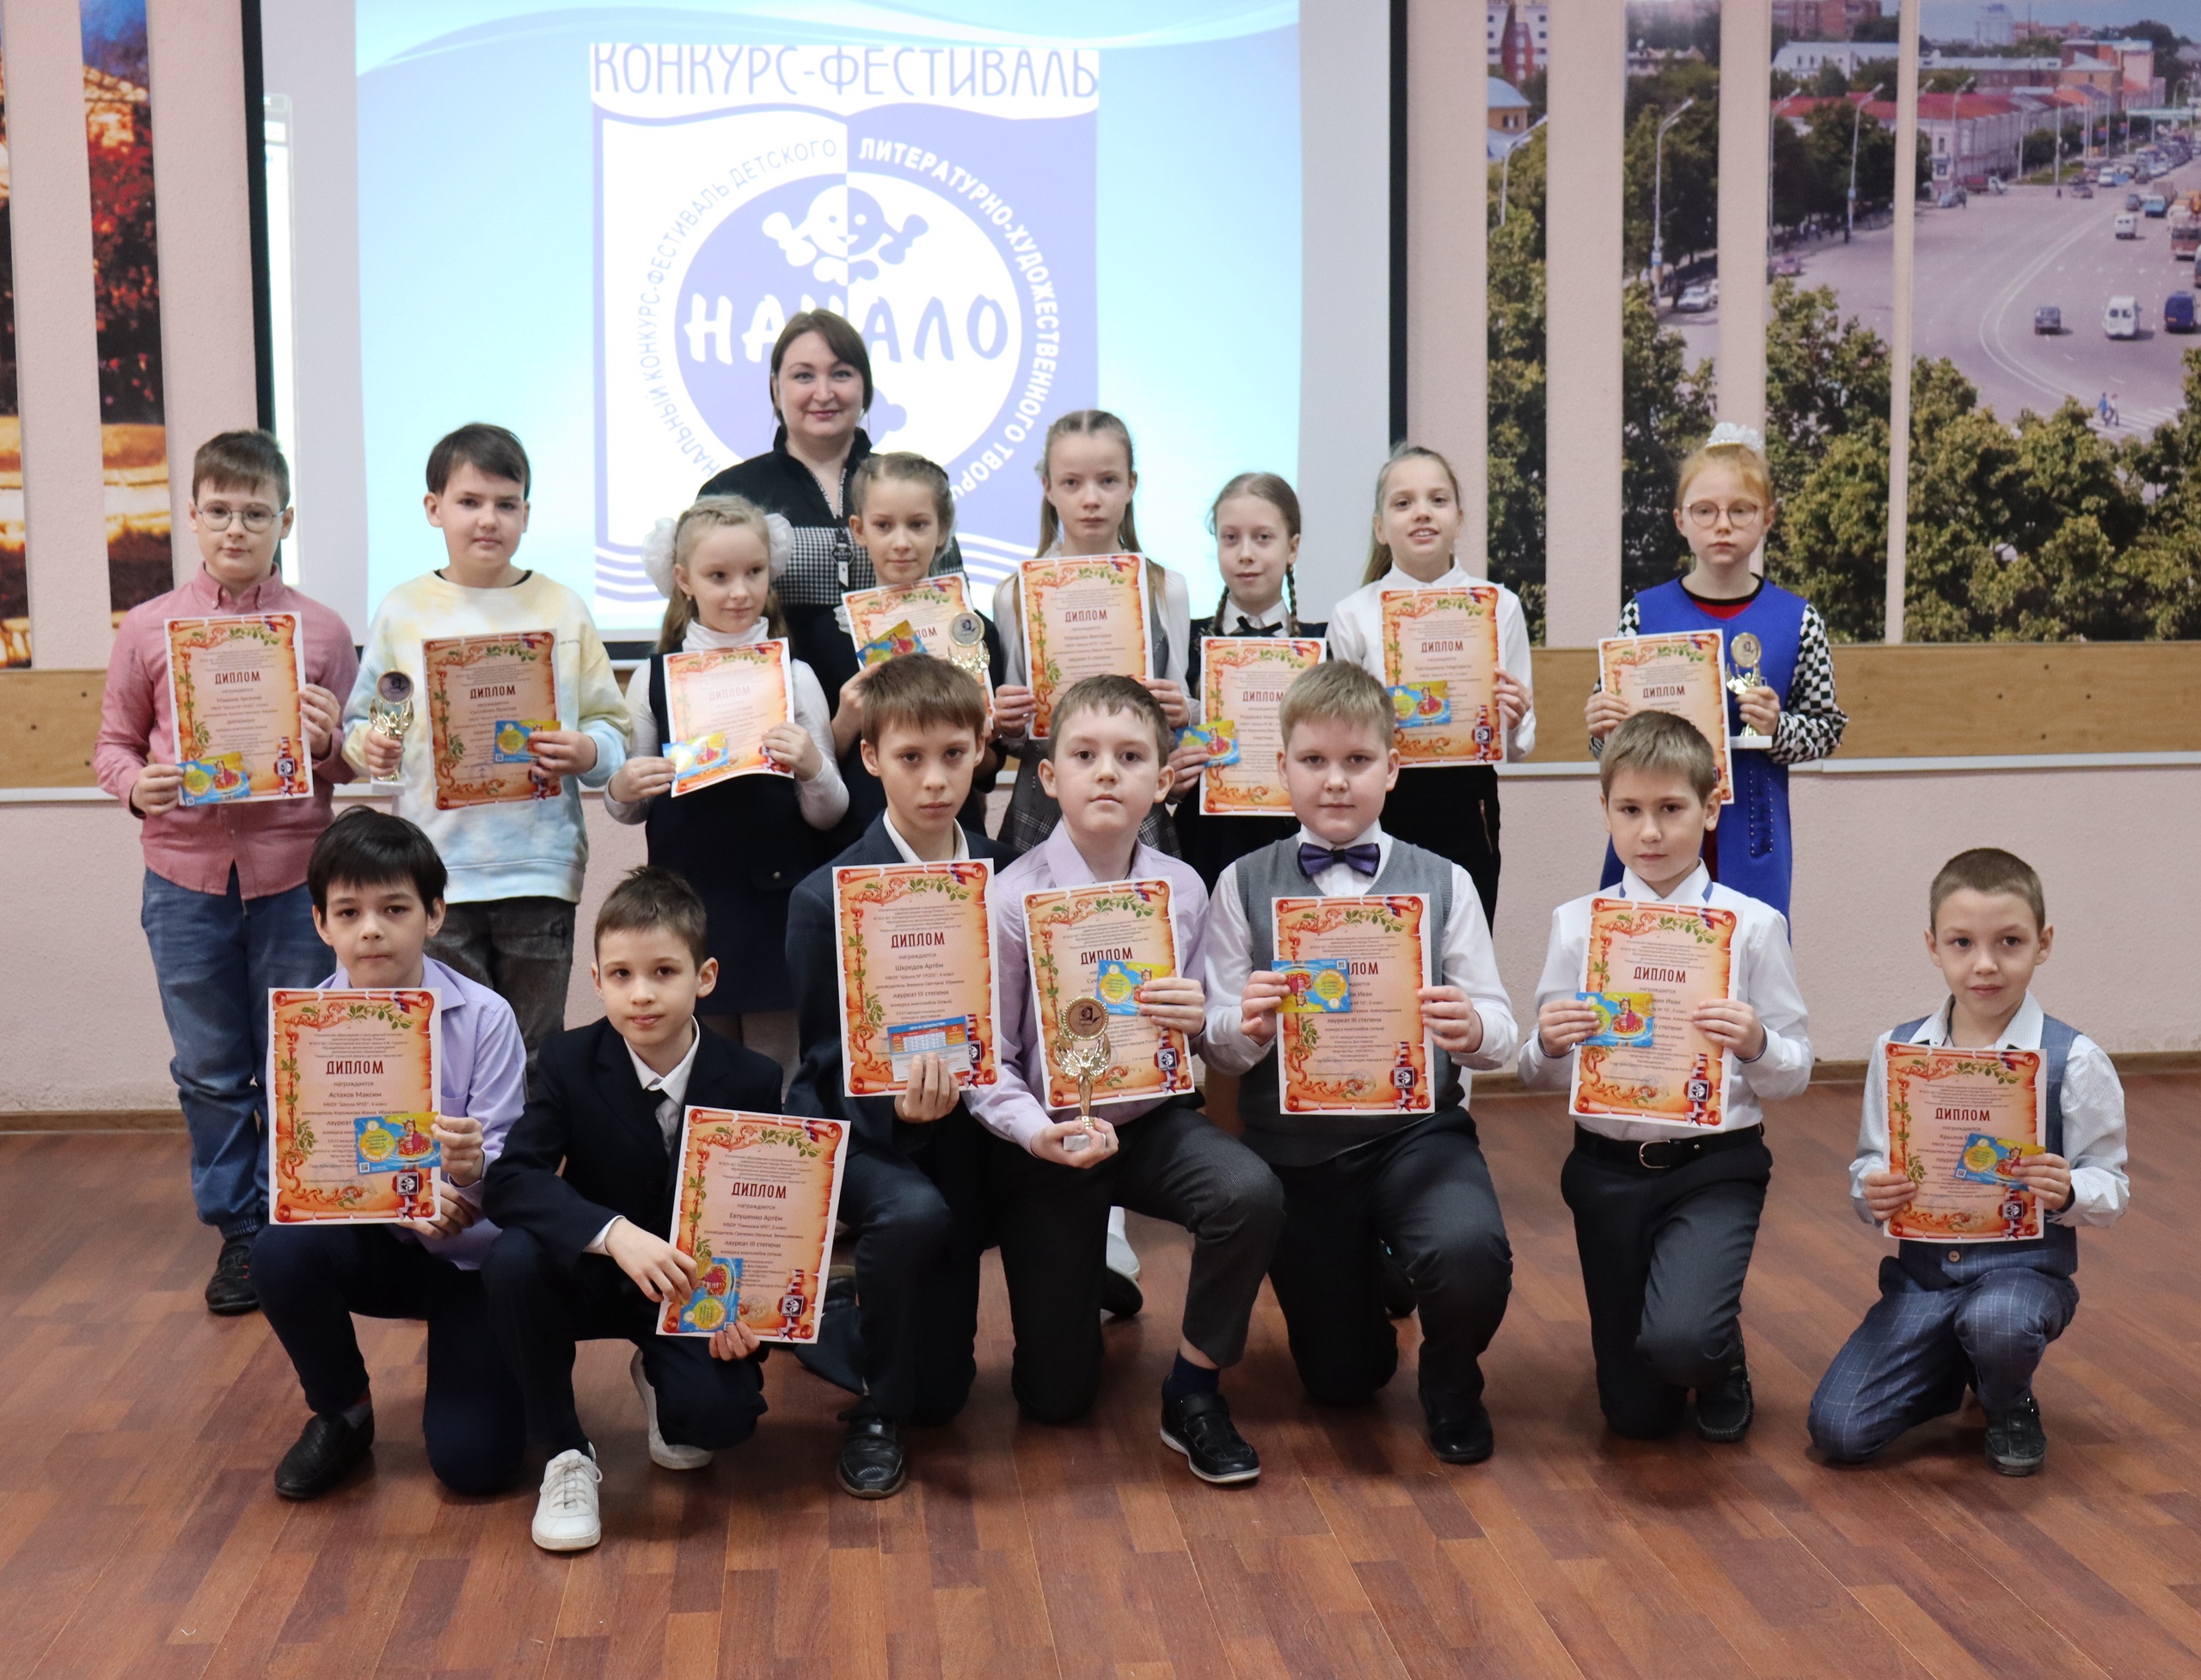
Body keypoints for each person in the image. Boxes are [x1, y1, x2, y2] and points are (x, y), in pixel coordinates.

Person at [1199, 662, 1519, 1463]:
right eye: (1314, 761)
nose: (1336, 781)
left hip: (1417, 1136)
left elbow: (1504, 1032)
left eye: (1357, 761)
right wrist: (1248, 1025)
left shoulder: (1445, 881)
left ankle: (1452, 1379)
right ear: (1283, 768)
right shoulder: (1241, 884)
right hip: (1297, 1155)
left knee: (1470, 1255)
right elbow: (1216, 1042)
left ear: (1392, 768)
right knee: (1343, 1382)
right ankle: (1377, 1275)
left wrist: (1470, 1027)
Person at [968, 676, 1284, 1485]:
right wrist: (1037, 1133)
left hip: (1151, 1123)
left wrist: (1219, 1019)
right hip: (1051, 1137)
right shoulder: (1008, 899)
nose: (1107, 771)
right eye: (1084, 755)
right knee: (1054, 1398)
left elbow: (1212, 1040)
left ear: (1163, 779)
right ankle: (1084, 1276)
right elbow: (989, 1062)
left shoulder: (1182, 888)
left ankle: (1193, 1389)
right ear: (1048, 777)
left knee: (1248, 1193)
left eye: (1130, 757)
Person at [95, 429, 358, 1315]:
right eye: (219, 511)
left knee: (296, 1055)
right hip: (183, 877)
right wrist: (138, 787)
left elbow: (354, 760)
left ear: (285, 520)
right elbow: (112, 746)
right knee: (209, 1067)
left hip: (294, 876)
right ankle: (239, 1229)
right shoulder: (147, 628)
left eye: (255, 512)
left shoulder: (323, 631)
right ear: (193, 517)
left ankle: (295, 1216)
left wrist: (325, 743)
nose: (236, 528)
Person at [1518, 712, 1812, 1443]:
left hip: (1713, 1166)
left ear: (1711, 810)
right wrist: (1547, 1045)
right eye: (1630, 810)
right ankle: (1686, 1334)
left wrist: (1758, 1043)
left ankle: (1718, 1356)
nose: (1650, 832)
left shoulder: (1752, 926)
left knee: (1683, 1343)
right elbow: (1539, 1075)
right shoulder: (1578, 925)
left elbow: (1795, 1073)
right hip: (1606, 1173)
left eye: (1671, 809)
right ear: (1605, 812)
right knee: (1636, 1419)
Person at [482, 868, 782, 1552]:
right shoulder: (567, 1060)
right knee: (512, 1257)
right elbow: (512, 1179)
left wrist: (753, 1316)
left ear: (704, 977)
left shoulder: (754, 1079)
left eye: (663, 972)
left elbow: (767, 1218)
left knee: (719, 1423)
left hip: (688, 1291)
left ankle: (659, 1373)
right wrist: (612, 1233)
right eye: (621, 975)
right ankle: (564, 1450)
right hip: (590, 1274)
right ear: (597, 980)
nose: (641, 993)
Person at [1808, 849, 2128, 1476]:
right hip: (1924, 1281)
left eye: (2010, 941)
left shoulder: (2074, 1059)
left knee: (1999, 1320)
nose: (1985, 964)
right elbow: (1871, 1162)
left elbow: (2112, 1187)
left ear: (2043, 943)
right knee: (1838, 1428)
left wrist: (2070, 1189)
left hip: (2022, 1278)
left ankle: (2007, 1399)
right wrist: (1871, 1191)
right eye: (1962, 943)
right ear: (1933, 946)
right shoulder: (1898, 1050)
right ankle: (1952, 1363)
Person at [252, 809, 528, 1500]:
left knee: (474, 1466)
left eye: (394, 908)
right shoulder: (301, 1029)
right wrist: (395, 1199)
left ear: (435, 914)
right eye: (348, 912)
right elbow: (303, 1167)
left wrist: (468, 1175)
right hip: (371, 1247)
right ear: (321, 924)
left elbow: (509, 1160)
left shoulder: (487, 1017)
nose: (370, 929)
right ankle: (342, 1411)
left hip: (469, 1258)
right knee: (278, 1251)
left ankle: (518, 1371)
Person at [343, 424, 628, 1070]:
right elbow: (375, 720)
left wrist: (587, 752)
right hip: (437, 870)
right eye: (469, 501)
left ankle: (527, 1144)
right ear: (434, 507)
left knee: (535, 1051)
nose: (488, 519)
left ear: (526, 512)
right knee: (451, 1051)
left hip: (540, 868)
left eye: (506, 503)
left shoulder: (562, 608)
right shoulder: (404, 611)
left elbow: (612, 729)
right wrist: (373, 746)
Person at [785, 654, 1002, 1499]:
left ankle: (857, 1313)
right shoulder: (824, 897)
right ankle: (873, 1406)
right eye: (911, 757)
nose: (935, 779)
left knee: (944, 1399)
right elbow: (820, 1063)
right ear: (871, 757)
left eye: (953, 754)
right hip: (871, 1134)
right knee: (913, 1216)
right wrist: (896, 1114)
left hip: (976, 1127)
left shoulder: (1005, 876)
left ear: (982, 747)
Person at [601, 495, 847, 1070]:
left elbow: (830, 812)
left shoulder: (796, 676)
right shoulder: (653, 680)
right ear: (684, 580)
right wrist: (623, 787)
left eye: (753, 572)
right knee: (701, 1069)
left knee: (778, 1068)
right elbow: (630, 810)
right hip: (686, 908)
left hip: (775, 907)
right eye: (718, 576)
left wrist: (811, 764)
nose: (740, 591)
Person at [1586, 422, 1847, 920]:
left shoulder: (1798, 619)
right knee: (1649, 952)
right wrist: (1602, 727)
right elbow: (1610, 747)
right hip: (1656, 826)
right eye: (1705, 511)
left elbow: (1827, 729)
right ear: (1681, 520)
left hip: (1751, 830)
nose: (1722, 525)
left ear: (1767, 518)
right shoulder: (1642, 613)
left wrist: (1778, 729)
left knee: (1747, 948)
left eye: (1740, 510)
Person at [696, 311, 963, 712]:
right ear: (776, 388)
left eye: (841, 374)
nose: (823, 393)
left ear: (865, 387)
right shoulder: (731, 493)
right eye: (804, 376)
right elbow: (696, 624)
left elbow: (953, 609)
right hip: (774, 717)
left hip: (902, 718)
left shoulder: (909, 486)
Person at [1324, 445, 1534, 930]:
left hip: (1468, 804)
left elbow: (1520, 745)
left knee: (1464, 949)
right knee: (1386, 944)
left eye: (1438, 500)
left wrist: (1513, 719)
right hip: (1382, 802)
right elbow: (1339, 736)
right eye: (1403, 503)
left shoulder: (1498, 605)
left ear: (1459, 518)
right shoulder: (1352, 613)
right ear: (1380, 528)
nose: (1422, 512)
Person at [989, 410, 1193, 861]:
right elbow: (1018, 733)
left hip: (1134, 803)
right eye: (1072, 483)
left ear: (1131, 484)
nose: (1091, 499)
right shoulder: (1015, 594)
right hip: (1043, 802)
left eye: (1108, 481)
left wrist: (1182, 712)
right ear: (1048, 488)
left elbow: (1185, 713)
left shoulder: (1166, 587)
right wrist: (1006, 721)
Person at [827, 452, 1014, 849]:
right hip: (863, 834)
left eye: (917, 525)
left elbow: (987, 769)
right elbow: (820, 769)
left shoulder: (973, 630)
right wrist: (846, 720)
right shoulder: (830, 633)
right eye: (883, 525)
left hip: (953, 831)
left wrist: (983, 736)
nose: (901, 543)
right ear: (859, 530)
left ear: (942, 530)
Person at [1168, 472, 1326, 889]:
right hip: (1206, 845)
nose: (1245, 554)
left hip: (1300, 842)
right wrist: (1169, 778)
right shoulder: (1186, 642)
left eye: (1263, 538)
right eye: (1230, 538)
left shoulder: (1324, 646)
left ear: (1292, 547)